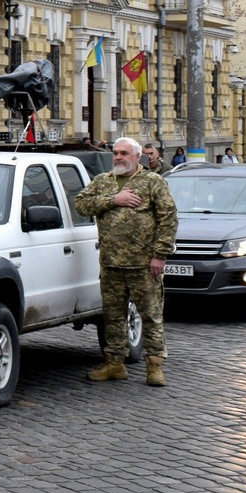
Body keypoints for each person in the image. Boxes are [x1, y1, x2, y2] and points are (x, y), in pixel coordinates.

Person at [74, 138, 178, 387]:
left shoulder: (152, 181)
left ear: (137, 156)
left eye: (124, 153)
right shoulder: (103, 181)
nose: (119, 157)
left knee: (151, 315)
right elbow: (81, 205)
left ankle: (154, 365)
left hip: (143, 264)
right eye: (116, 153)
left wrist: (160, 255)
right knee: (113, 316)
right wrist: (113, 199)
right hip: (111, 263)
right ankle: (114, 364)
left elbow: (168, 218)